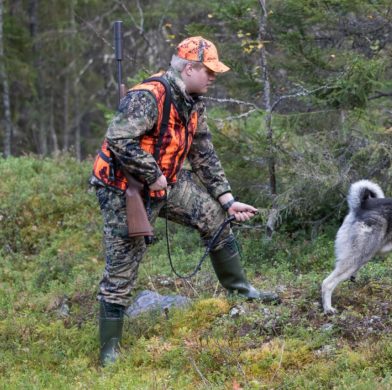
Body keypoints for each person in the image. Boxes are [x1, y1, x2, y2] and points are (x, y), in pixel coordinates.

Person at [90, 36, 278, 366]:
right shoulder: (148, 97)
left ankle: (239, 289)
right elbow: (119, 140)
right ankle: (109, 352)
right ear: (189, 68)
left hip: (167, 182)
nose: (213, 77)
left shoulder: (193, 102)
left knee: (214, 217)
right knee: (122, 269)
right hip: (122, 188)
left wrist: (227, 198)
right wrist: (151, 174)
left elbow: (203, 153)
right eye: (208, 71)